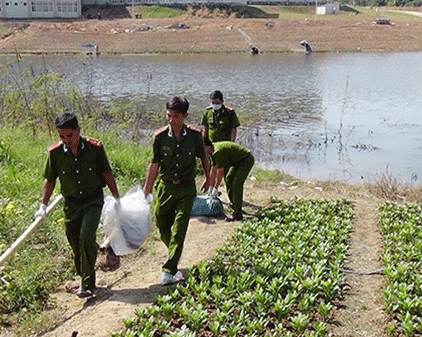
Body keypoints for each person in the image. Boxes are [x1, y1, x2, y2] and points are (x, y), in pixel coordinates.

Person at [34, 112, 120, 298]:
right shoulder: (56, 154)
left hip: (92, 200)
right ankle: (88, 264)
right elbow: (50, 180)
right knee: (74, 240)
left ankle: (87, 284)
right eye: (62, 137)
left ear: (78, 131)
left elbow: (106, 173)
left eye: (70, 135)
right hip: (71, 204)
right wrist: (43, 205)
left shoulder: (94, 149)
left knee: (86, 236)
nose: (67, 140)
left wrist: (116, 198)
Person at [143, 96, 210, 285]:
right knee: (162, 224)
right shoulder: (160, 137)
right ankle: (175, 250)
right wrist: (146, 191)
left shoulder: (195, 136)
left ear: (185, 116)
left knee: (180, 228)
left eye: (176, 116)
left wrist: (208, 177)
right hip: (165, 187)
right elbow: (154, 164)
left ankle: (169, 269)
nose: (172, 120)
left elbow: (204, 158)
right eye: (169, 116)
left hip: (186, 188)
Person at [204, 138, 254, 222]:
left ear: (207, 147)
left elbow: (220, 172)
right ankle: (234, 206)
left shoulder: (218, 152)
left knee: (236, 183)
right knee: (228, 179)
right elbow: (213, 170)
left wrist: (216, 188)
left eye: (202, 149)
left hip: (246, 159)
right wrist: (210, 187)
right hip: (237, 162)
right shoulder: (213, 152)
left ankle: (238, 214)